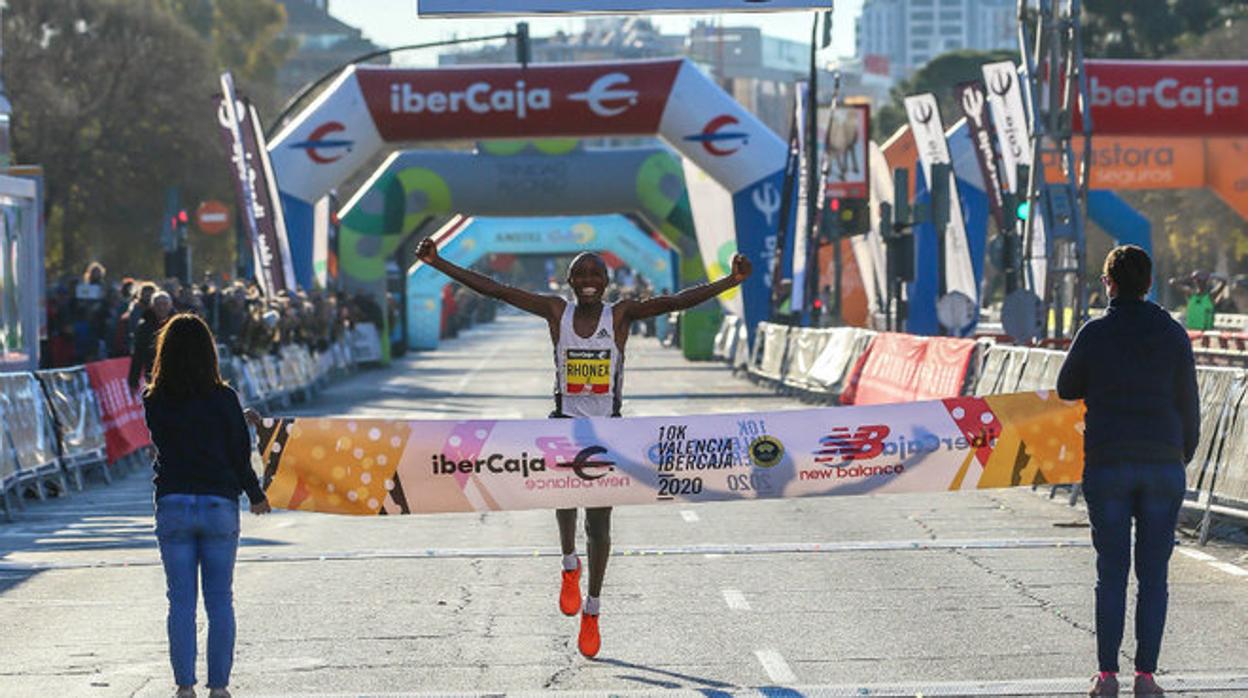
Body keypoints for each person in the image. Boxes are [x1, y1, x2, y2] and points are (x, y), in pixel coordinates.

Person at [416, 239, 751, 658]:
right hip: (564, 427)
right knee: (564, 502)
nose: (589, 281)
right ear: (570, 281)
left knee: (600, 526)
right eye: (581, 274)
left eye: (596, 274)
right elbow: (497, 290)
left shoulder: (622, 315)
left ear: (607, 281)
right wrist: (439, 262)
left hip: (607, 432)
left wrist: (730, 281)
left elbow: (676, 301)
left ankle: (592, 609)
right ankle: (568, 564)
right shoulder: (558, 312)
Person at [1057, 245, 1199, 697]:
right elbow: (1190, 405)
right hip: (1162, 464)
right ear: (1150, 284)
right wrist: (1181, 456)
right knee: (1154, 575)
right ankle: (1146, 676)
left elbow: (1065, 387)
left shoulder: (1095, 333)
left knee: (1112, 571)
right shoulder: (1173, 333)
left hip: (1109, 463)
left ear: (1109, 284)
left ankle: (1106, 677)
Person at [144, 313, 271, 698]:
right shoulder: (225, 398)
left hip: (174, 500)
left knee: (180, 601)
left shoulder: (154, 399)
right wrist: (256, 493)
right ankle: (219, 687)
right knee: (220, 600)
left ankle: (184, 686)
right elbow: (237, 452)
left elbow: (176, 433)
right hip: (218, 502)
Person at [130, 291, 174, 391]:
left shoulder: (179, 324)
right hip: (153, 374)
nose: (162, 308)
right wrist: (133, 380)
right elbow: (138, 354)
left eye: (165, 304)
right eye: (158, 304)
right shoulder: (144, 327)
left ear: (170, 306)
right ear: (152, 306)